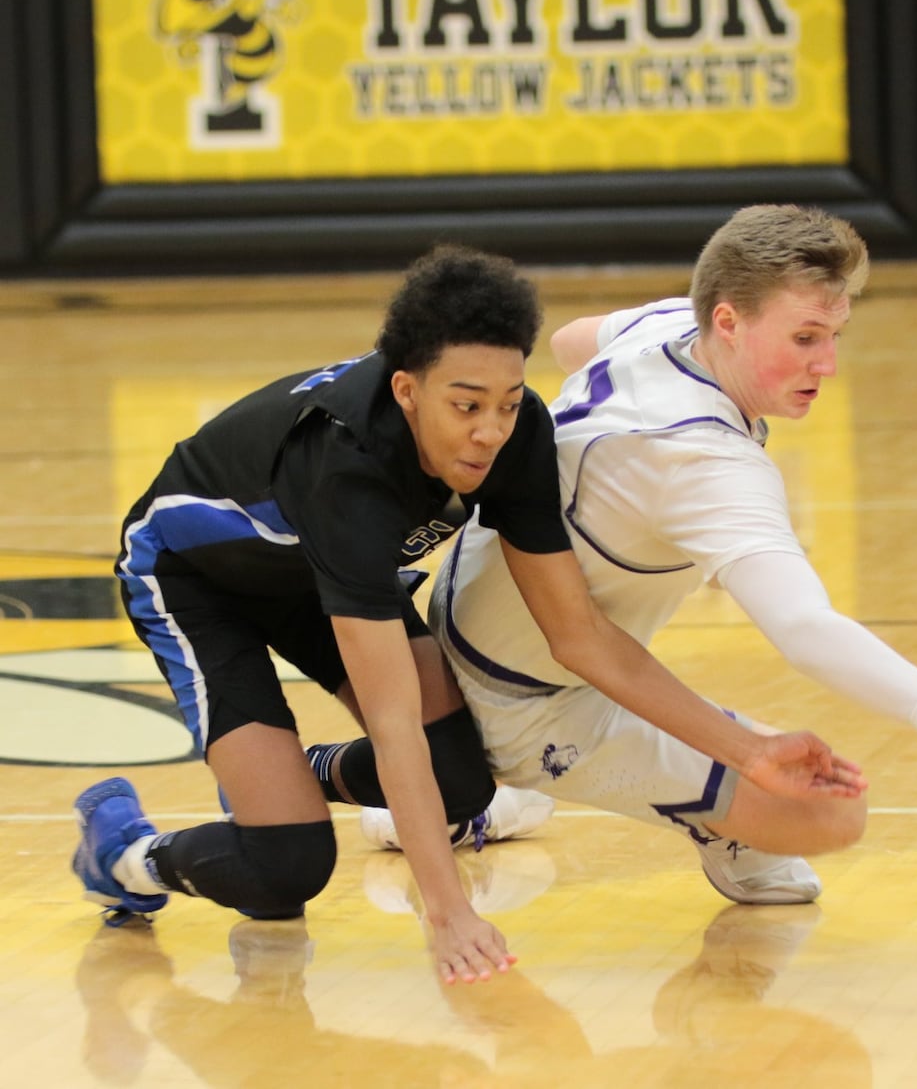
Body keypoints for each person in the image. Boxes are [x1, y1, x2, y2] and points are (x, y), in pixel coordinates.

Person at [74, 246, 863, 983]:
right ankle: (126, 850)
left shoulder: (516, 439)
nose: (489, 429)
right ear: (406, 390)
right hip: (199, 583)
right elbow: (391, 723)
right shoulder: (345, 472)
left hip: (327, 578)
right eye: (465, 405)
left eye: (508, 402)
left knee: (458, 780)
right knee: (286, 871)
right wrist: (448, 910)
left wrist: (748, 751)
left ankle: (291, 773)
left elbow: (580, 635)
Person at [347, 205, 917, 904]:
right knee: (831, 813)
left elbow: (573, 338)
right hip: (531, 700)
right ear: (730, 321)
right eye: (806, 337)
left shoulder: (667, 327)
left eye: (834, 334)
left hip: (458, 614)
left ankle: (480, 777)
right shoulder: (705, 463)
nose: (829, 363)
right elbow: (804, 629)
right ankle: (492, 790)